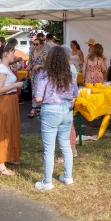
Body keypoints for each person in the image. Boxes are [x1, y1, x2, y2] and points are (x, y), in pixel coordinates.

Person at [34, 46, 78, 190]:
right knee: (65, 144)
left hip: (50, 111)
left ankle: (47, 182)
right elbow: (75, 94)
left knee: (49, 148)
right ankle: (68, 177)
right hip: (66, 110)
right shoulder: (70, 75)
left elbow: (38, 98)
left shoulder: (44, 75)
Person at [0, 43, 24, 176]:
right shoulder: (2, 68)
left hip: (10, 101)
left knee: (11, 128)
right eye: (12, 53)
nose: (14, 55)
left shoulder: (5, 67)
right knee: (3, 130)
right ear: (6, 54)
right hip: (5, 101)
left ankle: (9, 155)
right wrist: (15, 85)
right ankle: (1, 165)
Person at [28, 38, 46, 118]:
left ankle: (39, 109)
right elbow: (30, 63)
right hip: (34, 75)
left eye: (37, 44)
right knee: (33, 91)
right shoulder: (32, 53)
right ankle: (34, 108)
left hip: (42, 75)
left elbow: (48, 65)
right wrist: (28, 70)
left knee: (41, 91)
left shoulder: (44, 54)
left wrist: (40, 66)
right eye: (34, 44)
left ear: (41, 45)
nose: (35, 45)